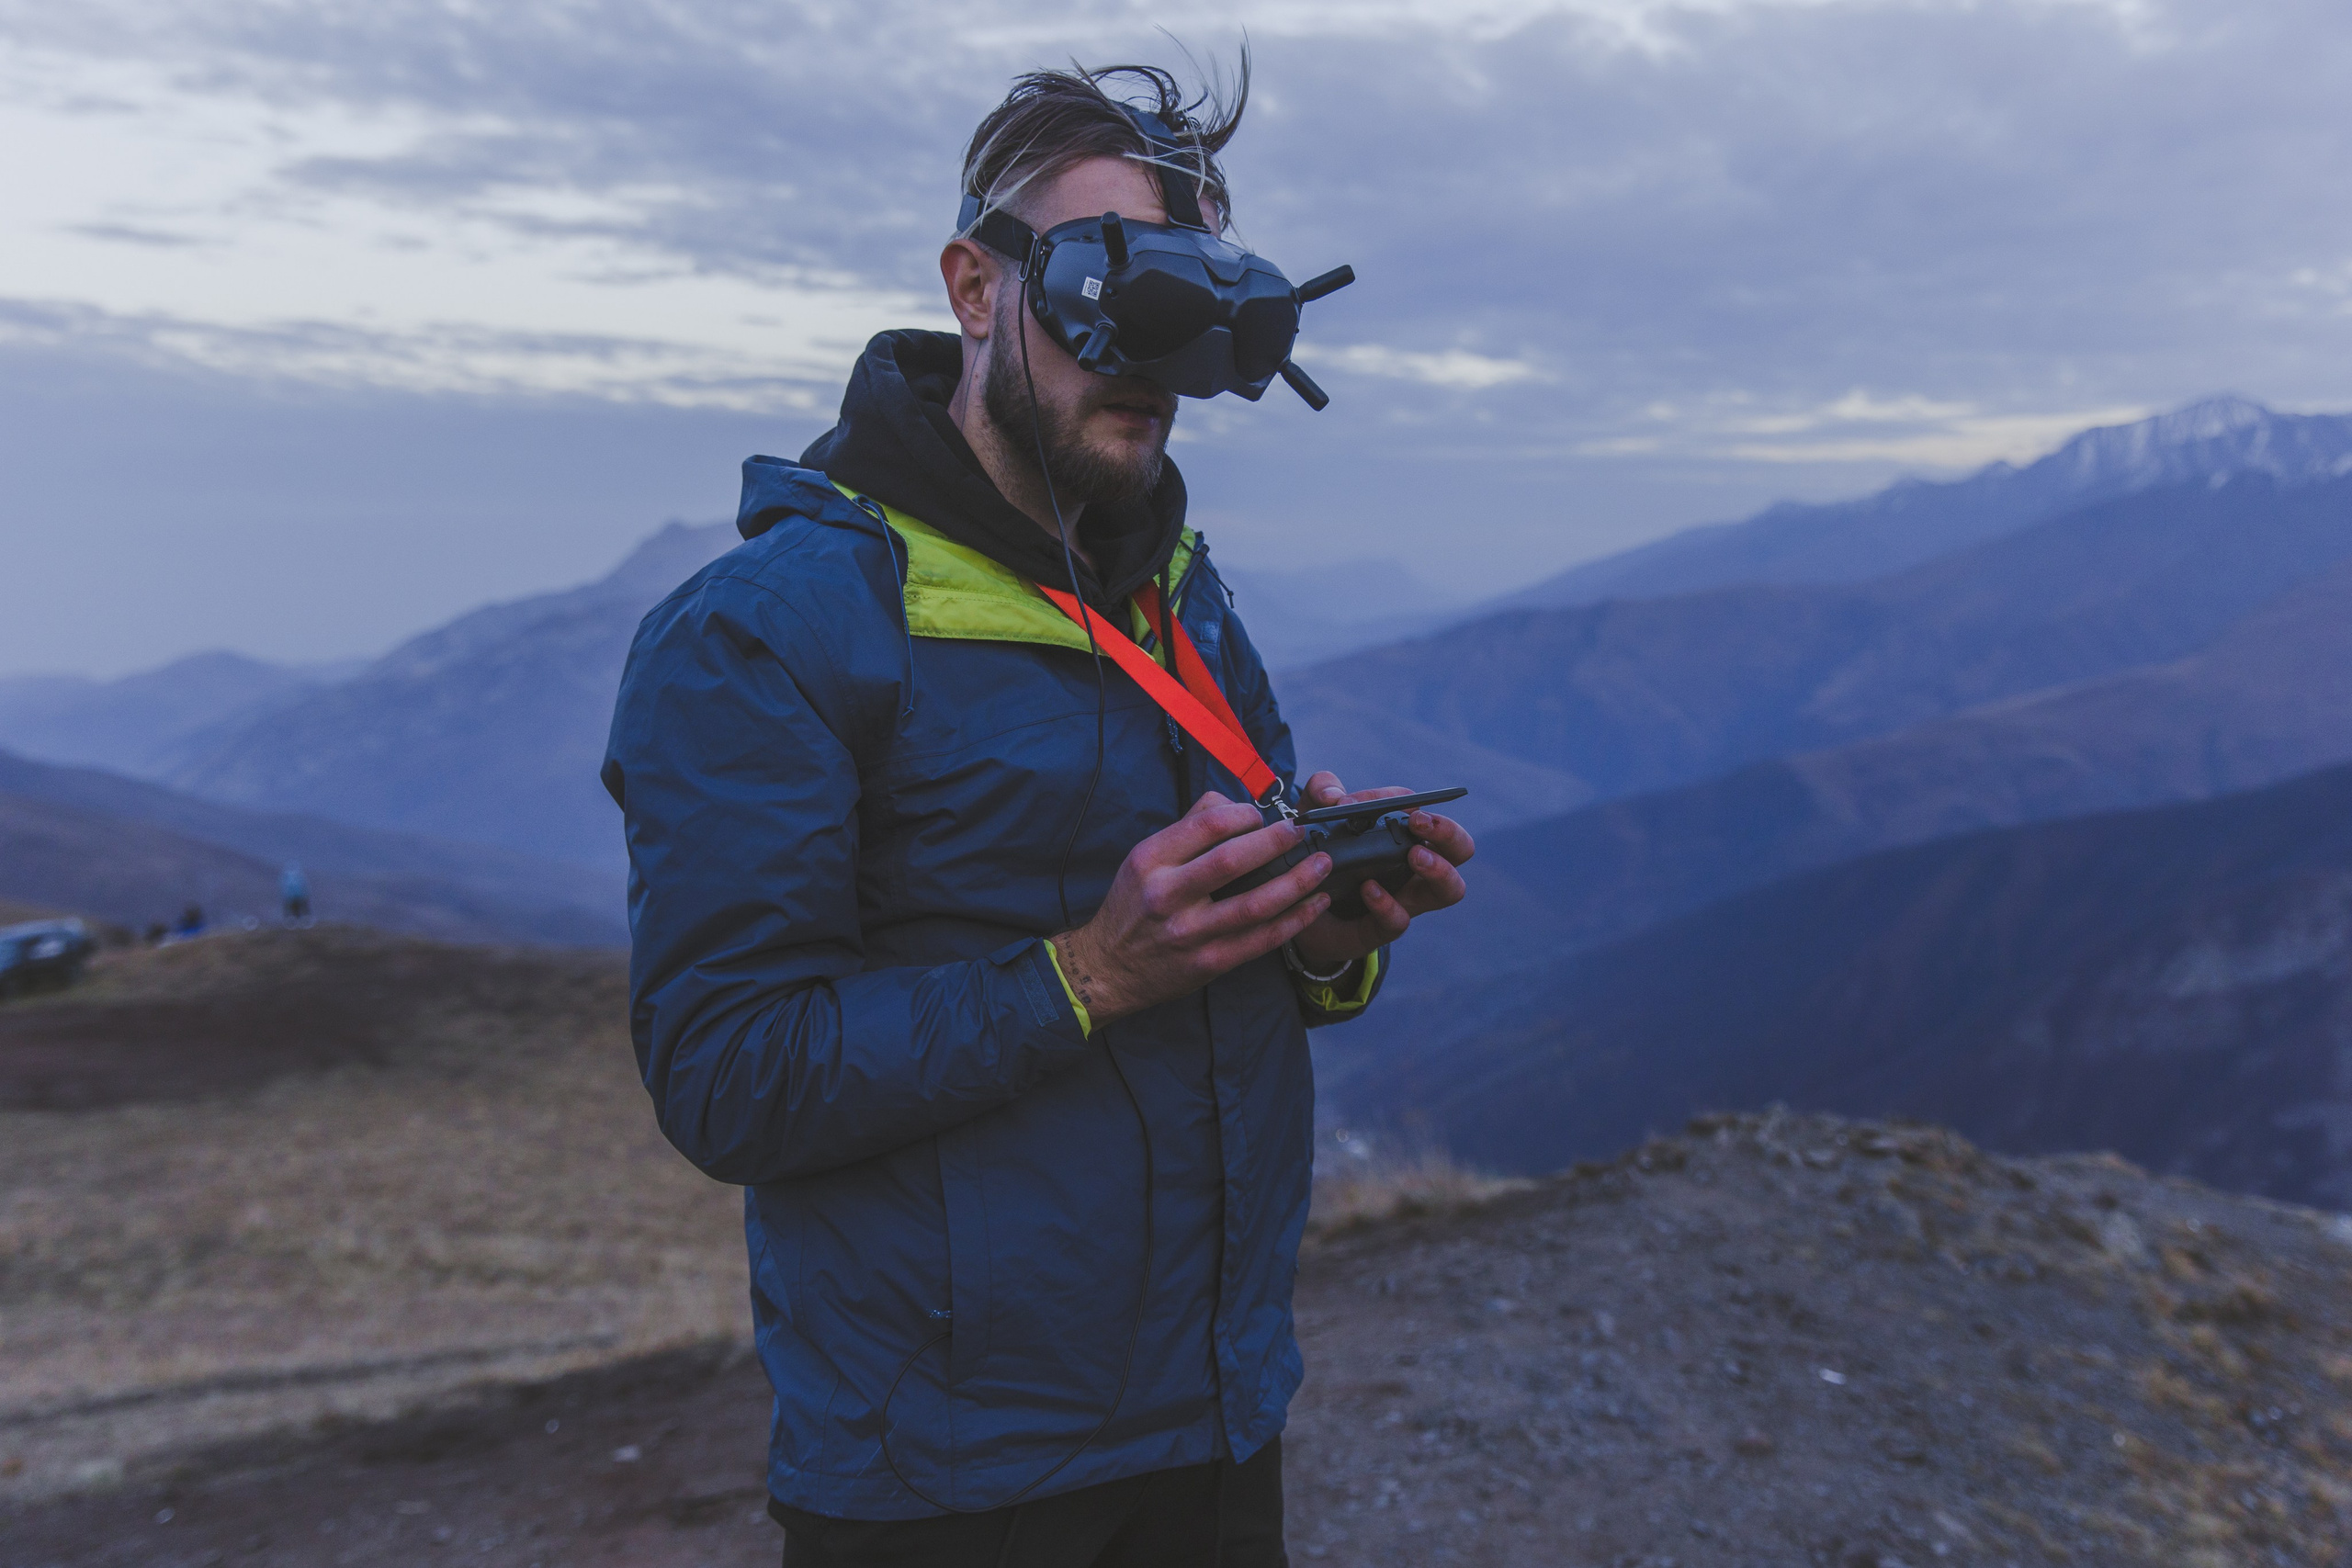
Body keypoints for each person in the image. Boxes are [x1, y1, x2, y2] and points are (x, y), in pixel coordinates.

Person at [602, 59, 1475, 1567]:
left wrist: (1325, 929)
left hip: (1215, 1416)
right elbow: (730, 1075)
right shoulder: (773, 632)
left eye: (1194, 307)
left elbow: (1234, 973)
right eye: (1107, 289)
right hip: (946, 1484)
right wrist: (1087, 973)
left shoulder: (1172, 594)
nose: (1148, 357)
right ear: (975, 286)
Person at [280, 862, 311, 927]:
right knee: (295, 910)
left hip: (295, 897)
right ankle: (296, 922)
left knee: (297, 909)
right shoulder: (298, 877)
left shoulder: (288, 878)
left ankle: (299, 922)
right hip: (295, 897)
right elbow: (304, 887)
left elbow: (284, 888)